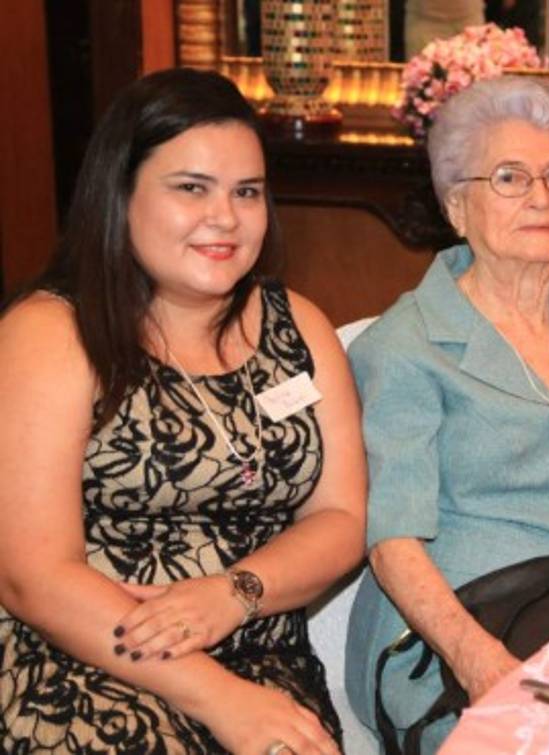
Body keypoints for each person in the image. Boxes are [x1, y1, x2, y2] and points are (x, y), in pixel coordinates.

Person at [0, 68, 367, 754]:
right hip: (93, 656)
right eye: (191, 188)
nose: (224, 217)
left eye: (246, 192)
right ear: (121, 194)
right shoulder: (53, 333)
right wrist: (218, 696)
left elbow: (341, 517)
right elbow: (31, 574)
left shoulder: (301, 328)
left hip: (263, 659)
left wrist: (238, 591)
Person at [343, 76, 549, 751]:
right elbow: (392, 538)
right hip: (458, 626)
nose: (541, 197)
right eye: (510, 177)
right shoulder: (405, 346)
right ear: (458, 205)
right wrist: (476, 658)